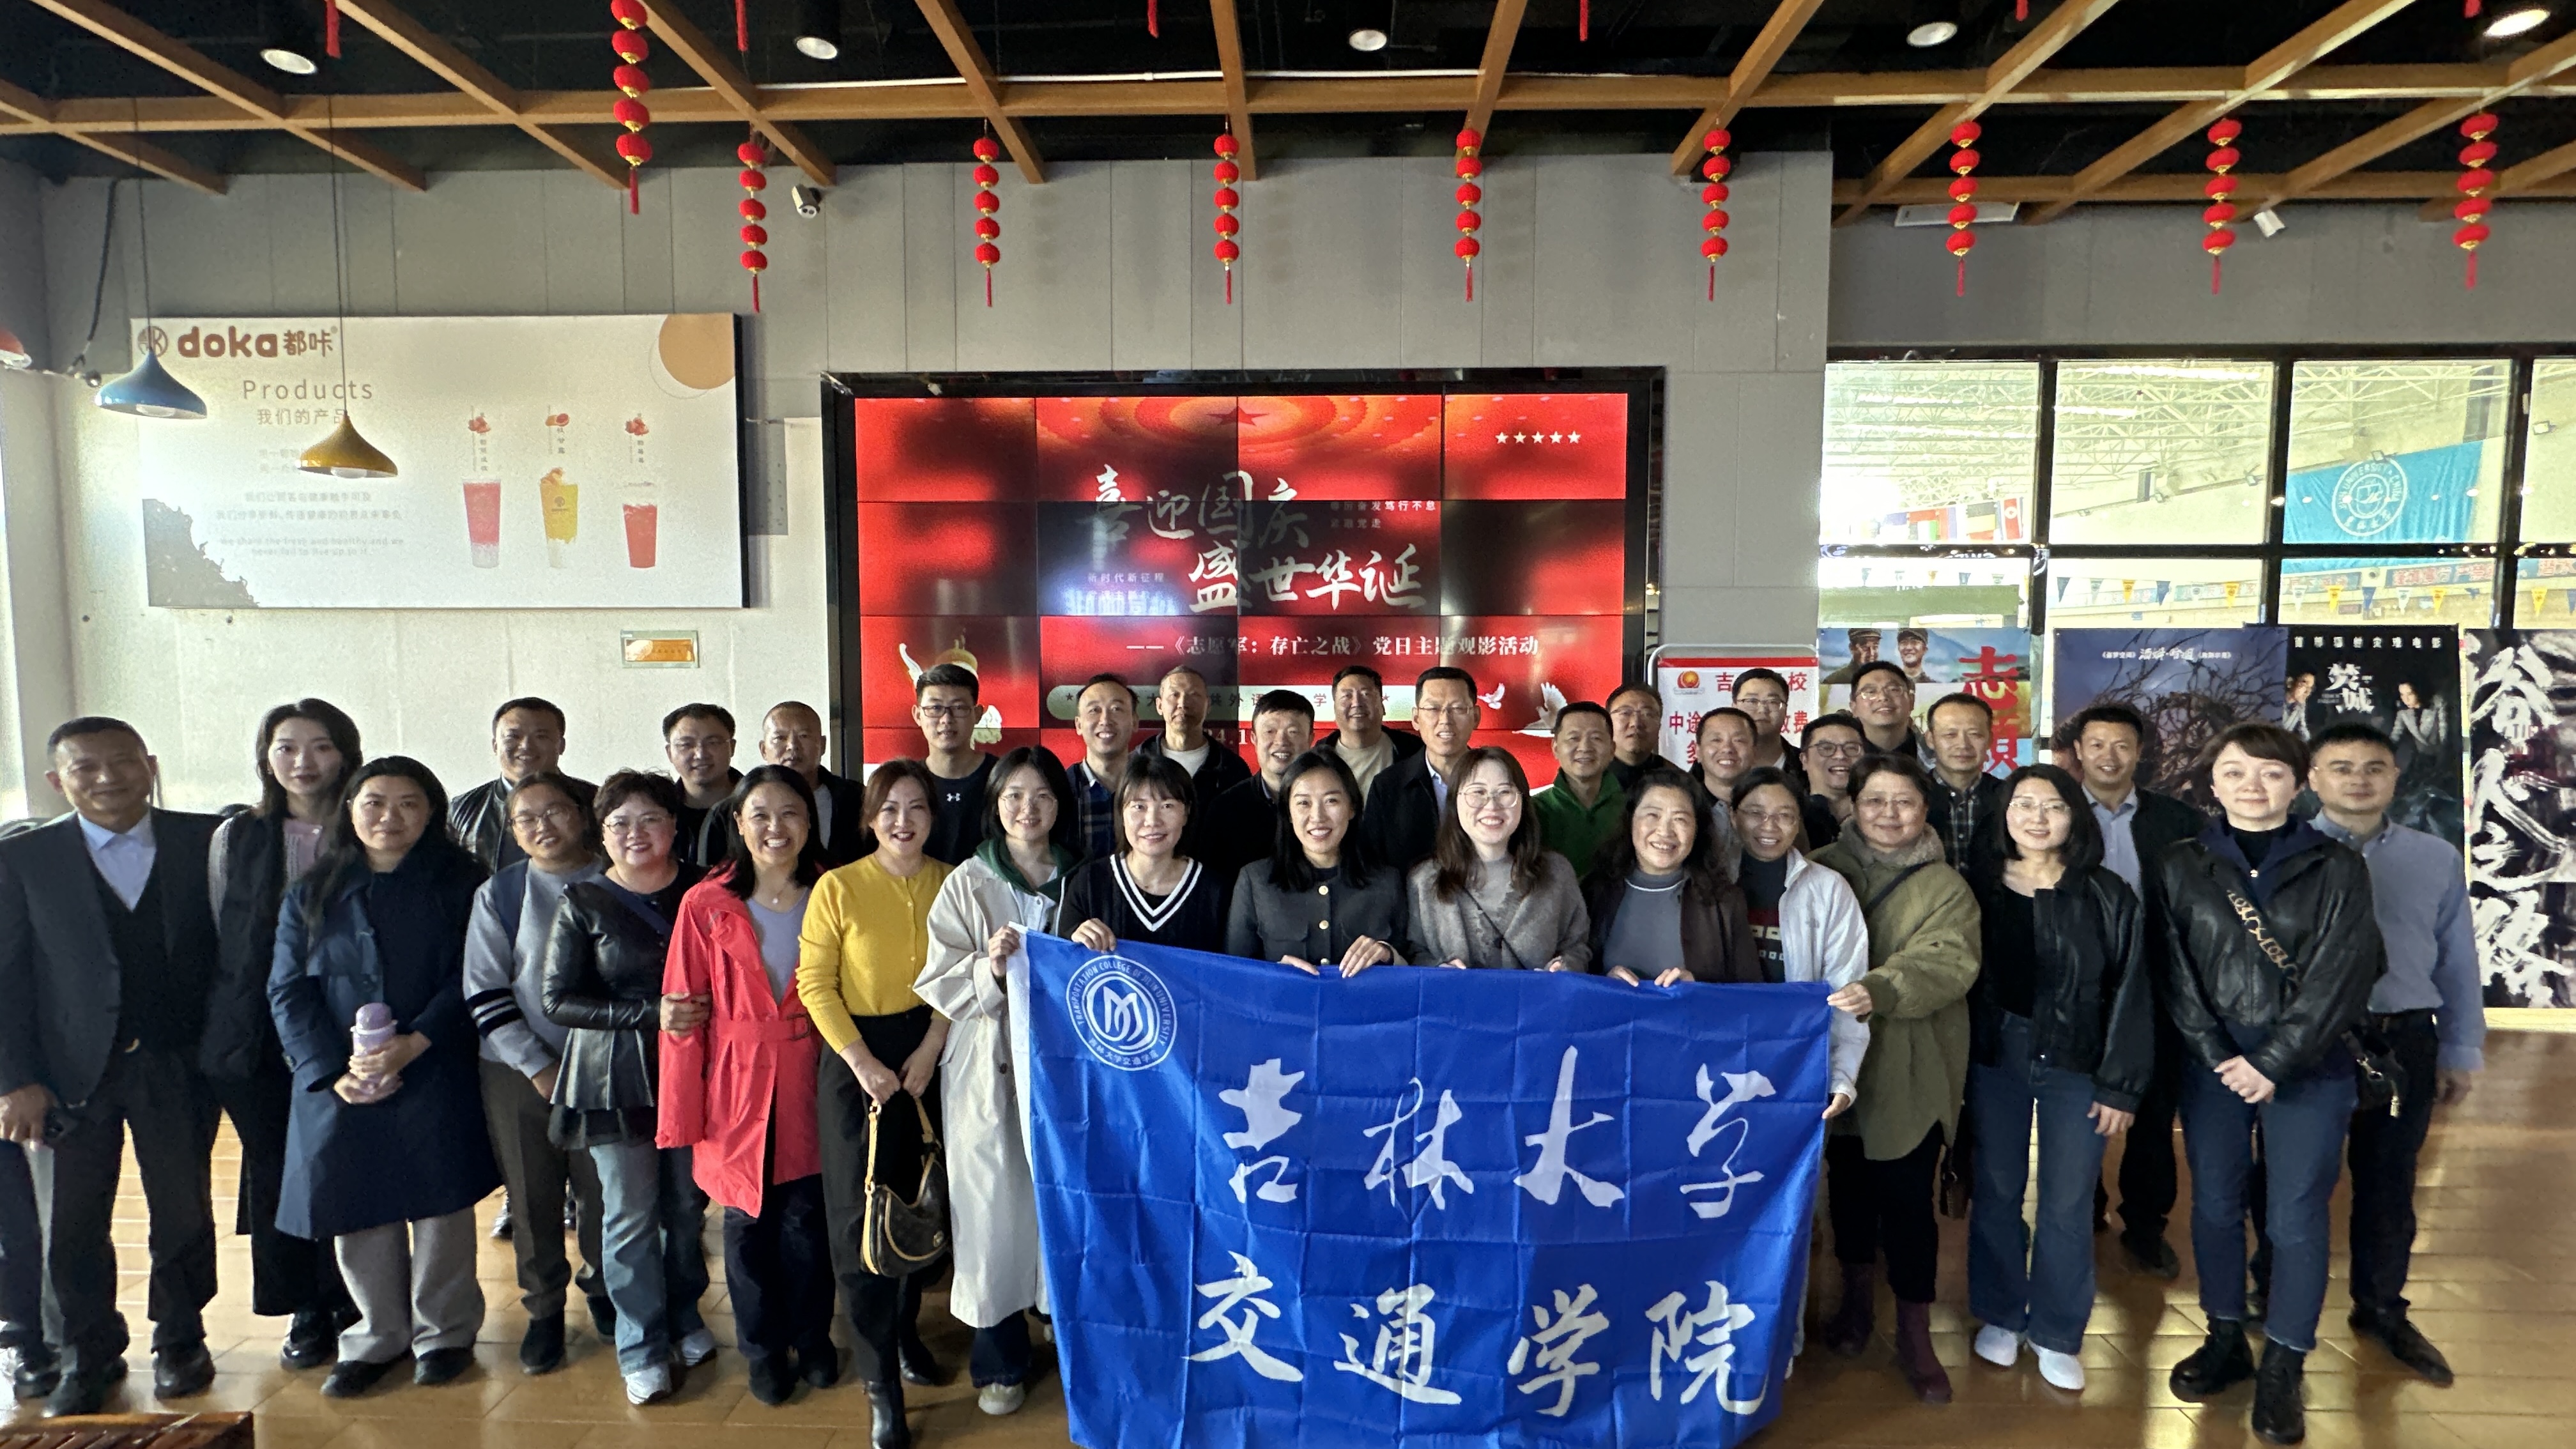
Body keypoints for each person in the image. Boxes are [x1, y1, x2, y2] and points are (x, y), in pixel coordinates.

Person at [2158, 723, 2384, 1446]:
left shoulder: (2337, 866)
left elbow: (2341, 976)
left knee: (2295, 1217)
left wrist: (2274, 1061)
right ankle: (2225, 1335)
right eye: (2234, 772)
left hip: (2309, 1064)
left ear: (2299, 782)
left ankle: (2285, 1360)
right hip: (2215, 1063)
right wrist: (2218, 1053)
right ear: (2212, 783)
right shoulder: (2182, 863)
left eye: (2271, 773)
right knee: (2216, 1206)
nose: (2252, 786)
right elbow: (2174, 970)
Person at [0, 719, 225, 1416]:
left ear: (149, 764)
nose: (107, 778)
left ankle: (181, 1339)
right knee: (69, 1223)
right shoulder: (23, 859)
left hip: (177, 1061)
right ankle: (86, 1352)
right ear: (56, 780)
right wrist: (14, 1080)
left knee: (182, 1212)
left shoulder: (206, 841)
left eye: (123, 762)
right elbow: (6, 976)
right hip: (65, 1074)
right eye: (85, 768)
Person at [268, 757, 498, 1399]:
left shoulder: (462, 883)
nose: (389, 818)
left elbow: (474, 974)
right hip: (342, 1076)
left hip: (435, 1062)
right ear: (350, 810)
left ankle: (444, 1333)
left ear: (431, 813)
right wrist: (329, 1069)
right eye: (374, 803)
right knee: (357, 1201)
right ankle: (376, 1335)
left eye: (408, 804)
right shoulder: (312, 890)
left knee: (440, 1202)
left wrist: (416, 1042)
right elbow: (287, 990)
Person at [1962, 765, 2153, 1395]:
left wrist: (2121, 1085)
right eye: (2024, 804)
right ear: (2004, 815)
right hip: (1996, 1053)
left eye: (2054, 806)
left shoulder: (2106, 893)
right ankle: (2000, 1312)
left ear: (2076, 817)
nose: (2038, 818)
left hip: (2078, 1060)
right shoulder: (1976, 886)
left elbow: (2131, 989)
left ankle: (2057, 1330)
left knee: (2068, 1202)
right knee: (1997, 1189)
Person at [2301, 723, 2481, 1386]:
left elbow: (2458, 958)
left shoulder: (2435, 857)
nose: (2359, 779)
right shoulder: (2290, 851)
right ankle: (2275, 1295)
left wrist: (2460, 1046)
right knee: (2294, 1179)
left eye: (2373, 767)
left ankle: (2381, 1307)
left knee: (2390, 1181)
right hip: (2313, 1037)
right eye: (2341, 767)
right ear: (2313, 777)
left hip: (2404, 1035)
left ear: (2395, 777)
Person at [659, 765, 837, 1407]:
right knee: (745, 1224)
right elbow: (683, 1014)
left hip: (814, 1072)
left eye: (790, 813)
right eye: (760, 814)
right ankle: (762, 1351)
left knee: (808, 1221)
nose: (775, 827)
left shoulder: (832, 891)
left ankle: (814, 1339)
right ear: (738, 823)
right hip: (734, 1080)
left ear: (810, 822)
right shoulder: (705, 903)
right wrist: (682, 1111)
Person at [1809, 753, 1980, 1405]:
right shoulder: (1820, 869)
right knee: (1848, 1194)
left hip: (1910, 1065)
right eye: (1874, 801)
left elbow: (1948, 962)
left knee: (1908, 1204)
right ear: (1852, 806)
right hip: (1832, 1063)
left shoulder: (1946, 886)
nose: (1888, 814)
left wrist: (1879, 988)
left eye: (1904, 801)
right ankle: (1856, 1305)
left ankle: (1914, 1331)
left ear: (1925, 809)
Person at [917, 747, 1082, 1418]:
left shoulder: (1082, 879)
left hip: (1065, 1070)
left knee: (1061, 1206)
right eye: (1013, 795)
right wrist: (987, 967)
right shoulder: (969, 880)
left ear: (1060, 806)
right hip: (988, 1067)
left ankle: (1066, 1334)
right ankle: (1001, 1360)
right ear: (995, 805)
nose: (1027, 809)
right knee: (993, 1213)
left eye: (1041, 796)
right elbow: (938, 977)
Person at [542, 771, 712, 1405]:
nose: (634, 834)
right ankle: (641, 1345)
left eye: (649, 820)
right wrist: (650, 1014)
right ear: (601, 832)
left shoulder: (704, 888)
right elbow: (557, 999)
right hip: (614, 1076)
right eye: (619, 823)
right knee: (630, 1214)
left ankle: (686, 1315)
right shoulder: (583, 900)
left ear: (674, 826)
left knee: (687, 1205)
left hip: (695, 1071)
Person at [801, 760, 956, 1449]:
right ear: (869, 818)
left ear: (933, 816)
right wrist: (862, 1062)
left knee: (918, 1201)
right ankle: (880, 1386)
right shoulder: (838, 886)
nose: (903, 821)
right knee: (857, 1218)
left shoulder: (953, 881)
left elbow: (961, 973)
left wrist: (930, 1048)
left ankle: (904, 1333)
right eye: (889, 808)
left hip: (929, 1054)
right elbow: (815, 983)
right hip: (855, 1062)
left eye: (916, 807)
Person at [202, 700, 362, 1372]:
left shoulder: (368, 823)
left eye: (320, 746)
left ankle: (358, 1295)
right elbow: (222, 928)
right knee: (275, 1167)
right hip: (257, 1033)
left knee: (348, 1162)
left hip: (352, 1024)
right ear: (266, 757)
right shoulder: (237, 836)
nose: (303, 762)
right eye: (286, 747)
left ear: (345, 753)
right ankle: (304, 1305)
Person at [461, 772, 613, 1372]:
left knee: (605, 1191)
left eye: (555, 811)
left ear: (583, 814)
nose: (541, 826)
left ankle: (605, 1290)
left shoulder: (617, 877)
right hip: (517, 1071)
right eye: (526, 818)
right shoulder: (499, 893)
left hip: (606, 1069)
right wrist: (538, 1065)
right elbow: (484, 988)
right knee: (531, 1194)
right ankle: (544, 1308)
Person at [2067, 702, 2207, 1278]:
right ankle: (2084, 1209)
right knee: (2078, 1104)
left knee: (2152, 1108)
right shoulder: (2056, 813)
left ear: (2140, 752)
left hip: (2157, 983)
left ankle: (2146, 1225)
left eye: (2122, 745)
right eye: (2097, 745)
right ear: (2079, 751)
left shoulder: (2177, 820)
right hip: (2079, 984)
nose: (2109, 756)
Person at [1726, 769, 1867, 1114]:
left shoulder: (1828, 889)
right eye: (1756, 813)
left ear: (1798, 822)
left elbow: (1845, 989)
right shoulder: (1709, 883)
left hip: (1795, 1062)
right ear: (1733, 816)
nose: (1769, 826)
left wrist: (1841, 1077)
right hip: (1719, 1055)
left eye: (1784, 815)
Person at [1406, 746, 1591, 972]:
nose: (1492, 806)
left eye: (1504, 792)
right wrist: (1437, 969)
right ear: (1454, 801)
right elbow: (1415, 952)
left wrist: (1567, 966)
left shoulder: (1557, 873)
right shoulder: (1424, 881)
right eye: (1478, 792)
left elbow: (1578, 946)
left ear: (1523, 800)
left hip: (1537, 997)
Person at [1227, 751, 1409, 974]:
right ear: (1288, 812)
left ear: (1352, 807)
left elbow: (1416, 969)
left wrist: (1389, 955)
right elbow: (1233, 974)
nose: (1318, 817)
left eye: (1331, 801)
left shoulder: (1387, 882)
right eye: (1304, 803)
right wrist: (1274, 975)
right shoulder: (1256, 882)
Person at [1583, 767, 1755, 986]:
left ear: (1697, 829)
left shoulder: (1725, 901)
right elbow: (1570, 976)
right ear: (1630, 820)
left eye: (1680, 819)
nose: (1665, 831)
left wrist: (1698, 987)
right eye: (1653, 815)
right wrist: (1603, 984)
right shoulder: (1595, 891)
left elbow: (1750, 991)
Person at [1060, 755, 1229, 954]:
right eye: (1139, 807)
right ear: (1121, 812)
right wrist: (1074, 939)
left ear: (1186, 813)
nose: (1152, 821)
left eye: (1167, 806)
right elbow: (1060, 960)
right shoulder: (1089, 883)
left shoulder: (1216, 892)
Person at [451, 698, 596, 871]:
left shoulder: (597, 802)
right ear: (495, 746)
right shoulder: (461, 810)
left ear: (562, 745)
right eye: (513, 736)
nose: (526, 746)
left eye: (541, 736)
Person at [1363, 666, 1480, 875]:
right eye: (1433, 709)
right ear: (1416, 718)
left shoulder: (1499, 782)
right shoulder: (1388, 787)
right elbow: (1373, 867)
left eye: (1458, 708)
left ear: (1476, 716)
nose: (1445, 720)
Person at [1133, 665, 1252, 863]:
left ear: (1208, 705)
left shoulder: (1232, 768)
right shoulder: (1136, 765)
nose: (1183, 703)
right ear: (1159, 706)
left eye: (1193, 695)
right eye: (1174, 695)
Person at [1202, 689, 1316, 887]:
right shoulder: (1225, 809)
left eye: (1293, 732)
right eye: (1270, 731)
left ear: (1310, 739)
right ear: (1254, 739)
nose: (1281, 741)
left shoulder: (1327, 804)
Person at [760, 700, 871, 866]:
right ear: (763, 750)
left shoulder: (858, 799)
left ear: (823, 745)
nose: (792, 746)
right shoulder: (743, 804)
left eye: (804, 736)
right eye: (780, 738)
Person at [914, 664, 999, 867]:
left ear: (977, 714)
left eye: (959, 708)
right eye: (935, 708)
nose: (946, 719)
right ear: (917, 715)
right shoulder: (907, 782)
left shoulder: (1002, 777)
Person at [1531, 703, 1626, 875]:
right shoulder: (1534, 810)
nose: (1584, 747)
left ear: (1612, 750)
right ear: (1556, 748)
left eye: (1596, 738)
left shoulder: (1633, 807)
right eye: (1573, 738)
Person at [1923, 692, 2008, 870]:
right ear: (1930, 739)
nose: (1963, 744)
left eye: (1975, 734)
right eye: (1950, 734)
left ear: (1990, 740)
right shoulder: (1914, 795)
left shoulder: (2008, 797)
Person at [1322, 664, 1423, 806]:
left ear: (1383, 706)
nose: (1357, 703)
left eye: (1366, 694)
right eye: (1347, 696)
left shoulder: (1415, 751)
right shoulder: (1318, 757)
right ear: (1334, 709)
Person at [1066, 674, 1139, 861]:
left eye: (1116, 709)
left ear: (1135, 722)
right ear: (1078, 725)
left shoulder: (1157, 787)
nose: (1105, 720)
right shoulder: (1060, 789)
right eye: (1094, 710)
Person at [664, 704, 744, 868]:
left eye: (713, 743)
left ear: (732, 747)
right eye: (686, 745)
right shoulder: (660, 811)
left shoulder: (757, 806)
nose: (700, 754)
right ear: (670, 752)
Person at [1683, 706, 1754, 875]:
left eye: (1739, 740)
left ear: (1754, 751)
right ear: (1698, 752)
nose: (1727, 748)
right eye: (1716, 740)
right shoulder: (1683, 806)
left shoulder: (1773, 807)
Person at [1799, 712, 1869, 850]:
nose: (1840, 756)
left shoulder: (1881, 816)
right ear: (1804, 760)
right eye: (1826, 748)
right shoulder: (1792, 816)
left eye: (1851, 748)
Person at [1731, 667, 1805, 789]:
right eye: (1751, 701)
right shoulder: (1715, 764)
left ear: (1786, 709)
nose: (1762, 710)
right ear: (1734, 707)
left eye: (1773, 702)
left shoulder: (1806, 766)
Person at [1848, 660, 1924, 761]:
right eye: (1870, 692)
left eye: (1893, 690)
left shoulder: (1935, 755)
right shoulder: (1840, 758)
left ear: (1911, 701)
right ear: (1854, 707)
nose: (1883, 697)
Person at [1605, 681, 1667, 793]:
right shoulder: (1588, 777)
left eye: (1647, 714)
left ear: (1660, 725)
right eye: (1625, 713)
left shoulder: (1676, 780)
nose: (1636, 723)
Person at [2283, 671, 2316, 740]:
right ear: (2291, 682)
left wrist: (2310, 743)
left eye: (2310, 688)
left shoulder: (2301, 705)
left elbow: (2302, 728)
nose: (2307, 691)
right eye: (2304, 683)